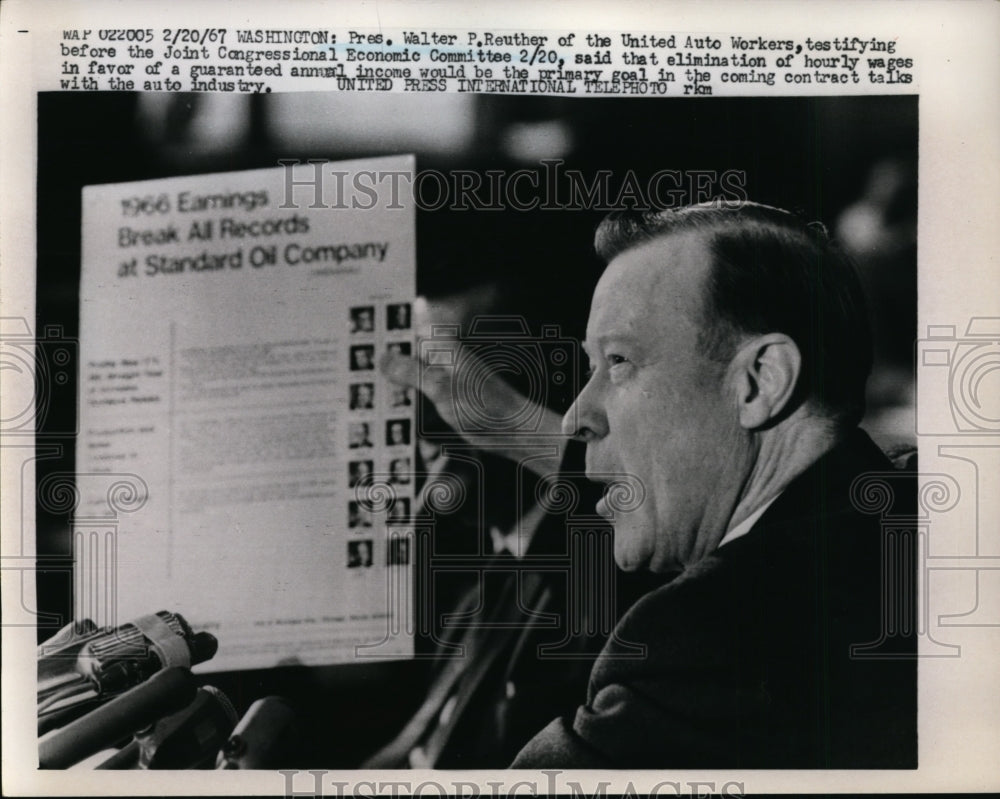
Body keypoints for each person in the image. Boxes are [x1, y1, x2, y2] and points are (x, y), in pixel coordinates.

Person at [378, 202, 915, 769]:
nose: (575, 416)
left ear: (762, 380)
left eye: (618, 362)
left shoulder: (712, 635)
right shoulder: (897, 524)